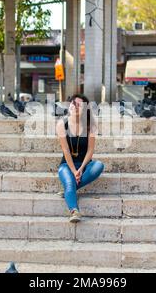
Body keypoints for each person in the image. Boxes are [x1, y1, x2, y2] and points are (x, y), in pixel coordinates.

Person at [56, 94, 104, 223]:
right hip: (67, 165)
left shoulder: (90, 126)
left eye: (79, 105)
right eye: (73, 103)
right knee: (70, 182)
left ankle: (68, 189)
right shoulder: (62, 124)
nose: (75, 106)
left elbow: (90, 150)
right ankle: (74, 211)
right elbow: (65, 150)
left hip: (85, 165)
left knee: (99, 165)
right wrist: (73, 170)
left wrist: (81, 168)